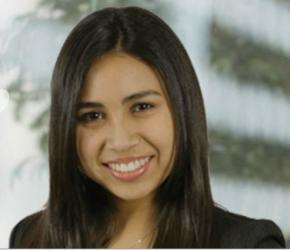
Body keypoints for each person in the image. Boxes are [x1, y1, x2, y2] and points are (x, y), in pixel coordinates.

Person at [9, 6, 285, 248]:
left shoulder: (247, 244)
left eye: (141, 107)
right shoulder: (31, 238)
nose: (120, 140)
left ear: (182, 108)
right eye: (92, 116)